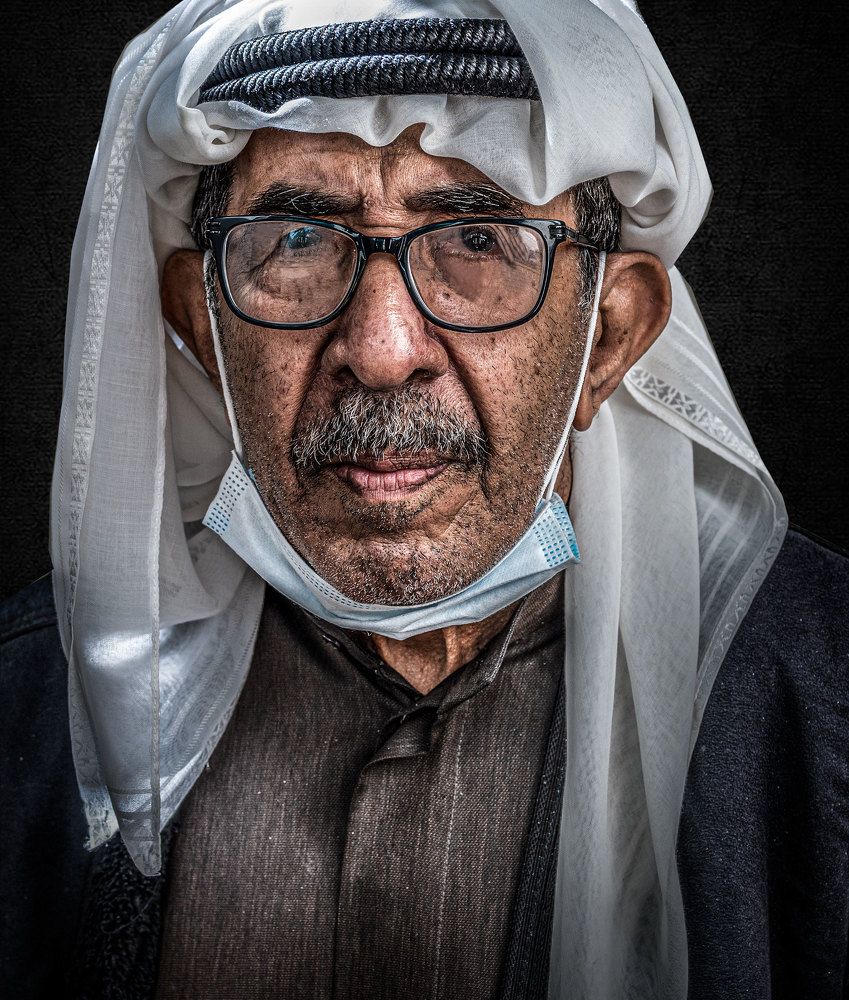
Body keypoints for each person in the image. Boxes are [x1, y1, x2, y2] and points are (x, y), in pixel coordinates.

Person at [1, 1, 846, 998]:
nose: (383, 350)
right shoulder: (28, 710)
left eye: (478, 239)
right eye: (299, 238)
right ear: (202, 324)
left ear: (608, 339)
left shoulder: (824, 700)